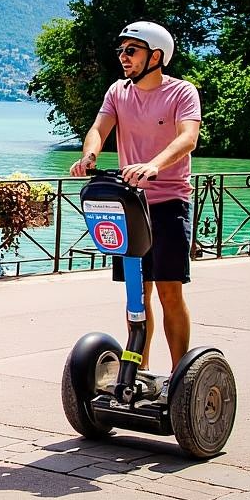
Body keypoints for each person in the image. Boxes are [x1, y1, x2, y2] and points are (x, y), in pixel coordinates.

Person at [70, 21, 201, 371]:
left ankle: (180, 377)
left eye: (132, 51)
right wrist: (90, 155)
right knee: (136, 297)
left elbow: (187, 138)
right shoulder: (118, 92)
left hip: (169, 202)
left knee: (169, 292)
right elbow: (99, 129)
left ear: (156, 56)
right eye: (121, 51)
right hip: (130, 206)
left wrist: (154, 165)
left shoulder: (182, 92)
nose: (123, 57)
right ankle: (135, 374)